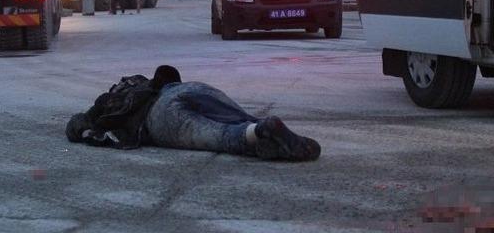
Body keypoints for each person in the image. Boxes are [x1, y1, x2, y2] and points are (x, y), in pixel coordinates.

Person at [65, 65, 321, 161]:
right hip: (187, 88)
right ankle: (262, 129)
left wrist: (90, 129)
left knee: (221, 135)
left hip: (159, 118)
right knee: (238, 115)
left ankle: (259, 134)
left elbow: (75, 126)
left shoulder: (107, 104)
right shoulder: (147, 84)